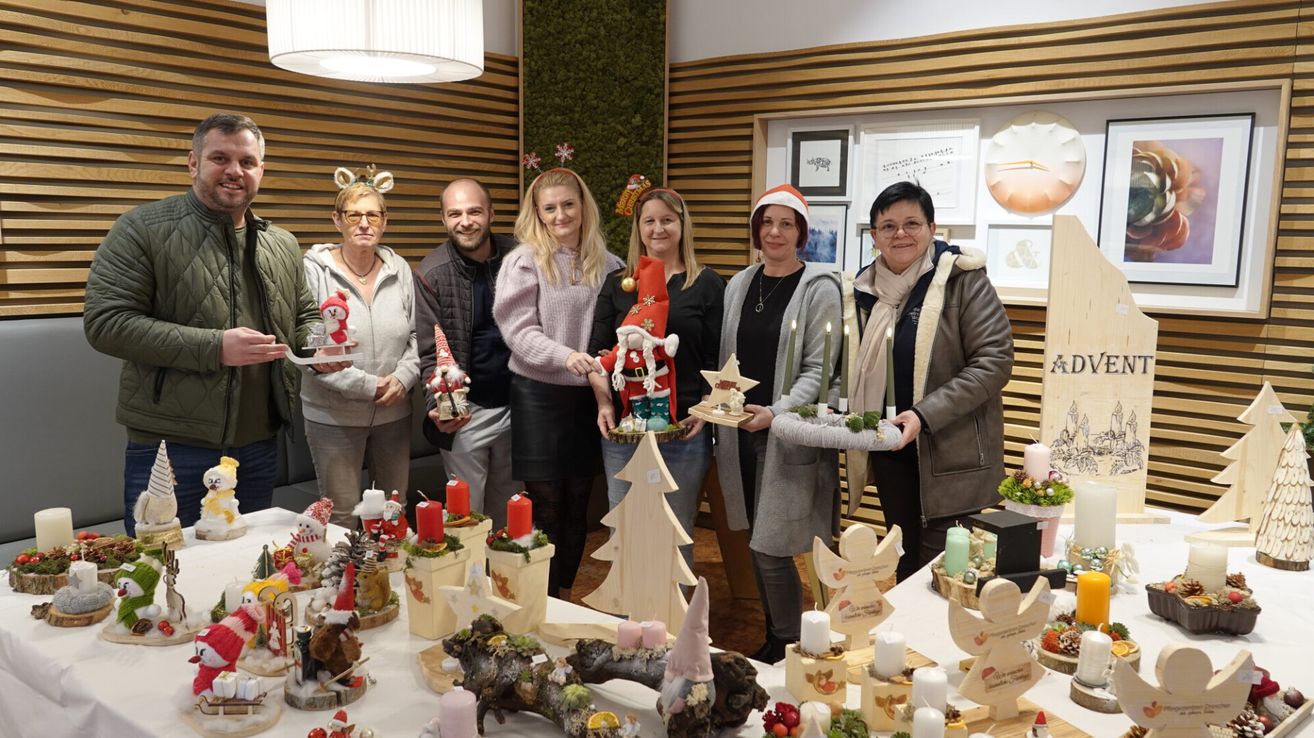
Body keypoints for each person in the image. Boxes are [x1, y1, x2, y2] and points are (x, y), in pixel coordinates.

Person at [84, 113, 346, 535]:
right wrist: (215, 347)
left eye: (247, 161)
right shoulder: (141, 229)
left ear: (261, 170)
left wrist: (321, 346)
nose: (234, 171)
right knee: (162, 563)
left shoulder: (281, 243)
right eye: (220, 158)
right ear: (193, 163)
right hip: (171, 446)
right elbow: (106, 322)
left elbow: (304, 318)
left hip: (258, 445)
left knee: (246, 564)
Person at [852, 181, 1013, 582]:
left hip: (951, 456)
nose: (900, 234)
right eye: (888, 226)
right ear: (874, 236)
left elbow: (994, 362)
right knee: (906, 563)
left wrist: (923, 415)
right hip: (891, 451)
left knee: (946, 572)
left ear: (931, 228)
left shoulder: (964, 281)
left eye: (912, 223)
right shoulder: (864, 290)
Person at [712, 184, 842, 662]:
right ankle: (773, 635)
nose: (775, 232)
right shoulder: (740, 283)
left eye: (786, 224)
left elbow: (819, 370)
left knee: (772, 546)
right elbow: (728, 359)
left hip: (784, 434)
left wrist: (777, 413)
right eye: (767, 222)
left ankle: (786, 641)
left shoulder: (820, 287)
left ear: (801, 233)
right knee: (753, 537)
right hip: (739, 432)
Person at [493, 168, 624, 600]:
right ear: (537, 213)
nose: (560, 214)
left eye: (568, 204)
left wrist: (598, 376)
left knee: (578, 506)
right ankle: (539, 600)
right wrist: (565, 357)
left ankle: (563, 597)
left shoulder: (612, 265)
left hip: (591, 398)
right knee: (546, 509)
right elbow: (518, 331)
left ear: (584, 206)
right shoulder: (523, 261)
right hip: (539, 397)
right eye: (549, 208)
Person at [587, 188, 724, 566]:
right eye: (649, 220)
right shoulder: (618, 284)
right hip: (624, 431)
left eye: (667, 220)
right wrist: (603, 402)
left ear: (682, 225)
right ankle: (627, 608)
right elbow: (598, 356)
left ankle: (673, 608)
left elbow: (718, 359)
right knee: (625, 533)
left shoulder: (707, 284)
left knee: (674, 535)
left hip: (685, 431)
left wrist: (706, 411)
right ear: (638, 228)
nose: (658, 228)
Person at [300, 170, 420, 528]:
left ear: (385, 221)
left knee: (392, 514)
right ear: (337, 220)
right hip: (333, 418)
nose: (364, 224)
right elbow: (308, 347)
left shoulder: (399, 269)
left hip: (394, 413)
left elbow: (418, 336)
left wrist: (403, 378)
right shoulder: (313, 271)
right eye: (354, 215)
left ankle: (388, 568)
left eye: (373, 215)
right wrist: (368, 386)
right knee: (342, 517)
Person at [415, 178, 520, 530]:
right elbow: (429, 351)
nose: (465, 221)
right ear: (444, 219)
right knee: (466, 519)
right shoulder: (431, 272)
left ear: (491, 213)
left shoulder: (520, 257)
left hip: (518, 407)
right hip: (466, 412)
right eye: (455, 214)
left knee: (510, 515)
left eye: (474, 211)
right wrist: (435, 405)